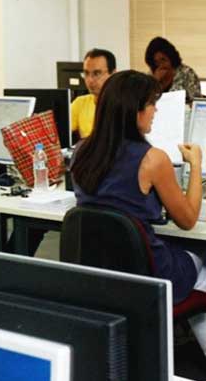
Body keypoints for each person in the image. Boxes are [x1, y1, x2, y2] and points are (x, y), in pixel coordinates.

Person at [71, 70, 206, 303]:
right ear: (134, 110)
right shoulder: (153, 159)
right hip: (152, 278)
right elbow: (188, 220)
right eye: (152, 104)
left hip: (102, 277)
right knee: (200, 250)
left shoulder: (81, 151)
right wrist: (195, 164)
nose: (156, 111)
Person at [71, 48, 117, 139]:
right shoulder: (80, 103)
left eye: (97, 73)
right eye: (86, 73)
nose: (90, 80)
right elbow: (60, 133)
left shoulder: (124, 103)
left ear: (113, 74)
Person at [145, 36, 201, 104]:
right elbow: (145, 100)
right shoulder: (151, 74)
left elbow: (196, 101)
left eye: (163, 60)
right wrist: (155, 81)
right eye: (156, 62)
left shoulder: (187, 73)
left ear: (171, 57)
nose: (161, 65)